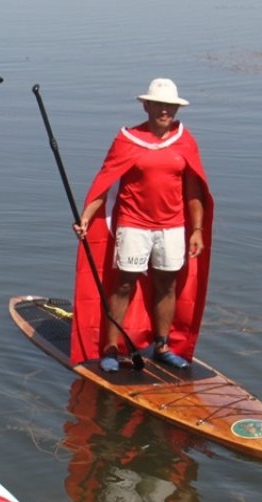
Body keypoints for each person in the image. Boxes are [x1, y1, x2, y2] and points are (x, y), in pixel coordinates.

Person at [73, 77, 214, 373]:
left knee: (167, 285)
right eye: (159, 104)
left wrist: (197, 230)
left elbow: (194, 190)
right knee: (124, 284)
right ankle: (111, 348)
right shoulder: (128, 139)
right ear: (147, 105)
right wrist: (86, 217)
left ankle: (162, 346)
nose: (165, 110)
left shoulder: (185, 141)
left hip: (172, 226)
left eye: (170, 106)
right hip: (133, 224)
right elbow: (105, 181)